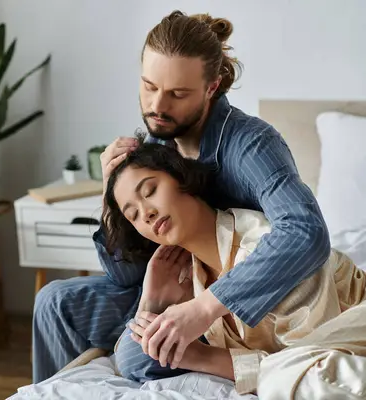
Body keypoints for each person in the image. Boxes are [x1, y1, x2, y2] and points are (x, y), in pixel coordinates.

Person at [31, 10, 330, 383]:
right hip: (166, 287)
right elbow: (123, 275)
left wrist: (203, 307)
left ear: (212, 87)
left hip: (232, 306)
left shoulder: (252, 145)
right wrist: (113, 197)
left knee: (134, 355)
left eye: (177, 93)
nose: (157, 105)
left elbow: (305, 231)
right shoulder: (158, 139)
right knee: (54, 301)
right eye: (149, 86)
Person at [104, 141, 366, 398]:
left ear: (182, 178)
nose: (145, 213)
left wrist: (202, 357)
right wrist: (150, 302)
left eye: (150, 190)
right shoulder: (184, 278)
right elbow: (131, 361)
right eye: (133, 216)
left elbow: (305, 362)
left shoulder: (267, 250)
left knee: (296, 374)